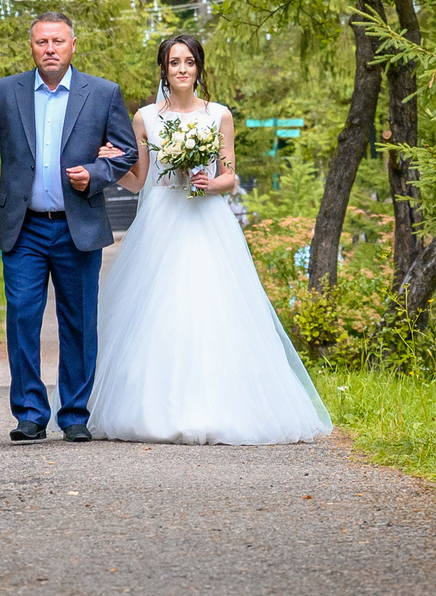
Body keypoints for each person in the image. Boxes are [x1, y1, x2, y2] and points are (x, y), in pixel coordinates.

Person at [85, 33, 332, 444]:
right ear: (163, 69)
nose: (181, 69)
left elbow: (230, 177)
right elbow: (139, 180)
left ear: (199, 68)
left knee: (214, 307)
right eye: (173, 62)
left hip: (207, 219)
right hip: (162, 220)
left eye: (189, 62)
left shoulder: (219, 115)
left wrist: (208, 181)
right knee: (159, 308)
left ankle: (222, 406)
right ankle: (152, 409)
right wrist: (108, 162)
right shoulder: (146, 117)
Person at [0, 13, 138, 444]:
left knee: (78, 322)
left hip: (77, 227)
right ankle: (30, 414)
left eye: (58, 41)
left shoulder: (102, 93)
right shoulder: (5, 92)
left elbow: (127, 153)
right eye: (42, 42)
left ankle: (75, 414)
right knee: (22, 318)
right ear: (31, 47)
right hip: (23, 229)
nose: (50, 49)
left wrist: (95, 174)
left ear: (73, 44)